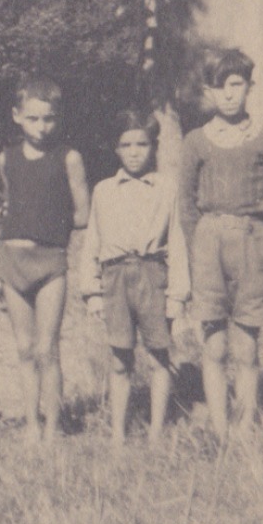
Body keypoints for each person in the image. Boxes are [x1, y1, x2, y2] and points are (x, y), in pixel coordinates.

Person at [178, 49, 263, 438]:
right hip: (208, 242)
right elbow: (186, 205)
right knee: (214, 346)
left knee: (246, 345)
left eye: (236, 85)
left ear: (249, 87)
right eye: (219, 87)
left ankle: (244, 429)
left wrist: (259, 242)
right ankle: (220, 428)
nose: (228, 95)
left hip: (252, 241)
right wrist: (200, 250)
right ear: (208, 92)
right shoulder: (196, 142)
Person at [79, 110, 187, 444]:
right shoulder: (103, 190)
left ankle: (156, 432)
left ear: (153, 146)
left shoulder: (166, 188)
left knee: (158, 355)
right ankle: (117, 434)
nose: (134, 151)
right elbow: (92, 242)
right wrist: (92, 291)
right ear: (116, 148)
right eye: (126, 145)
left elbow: (178, 240)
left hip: (154, 274)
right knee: (119, 358)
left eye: (142, 144)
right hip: (114, 278)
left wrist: (178, 295)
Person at [0, 76, 90, 442]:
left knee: (46, 348)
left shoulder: (69, 157)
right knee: (23, 348)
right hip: (13, 261)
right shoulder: (6, 157)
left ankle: (52, 428)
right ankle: (31, 425)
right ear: (17, 116)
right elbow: (5, 202)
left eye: (48, 119)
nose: (41, 127)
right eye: (33, 119)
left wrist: (50, 218)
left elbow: (82, 213)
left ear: (58, 118)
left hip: (50, 262)